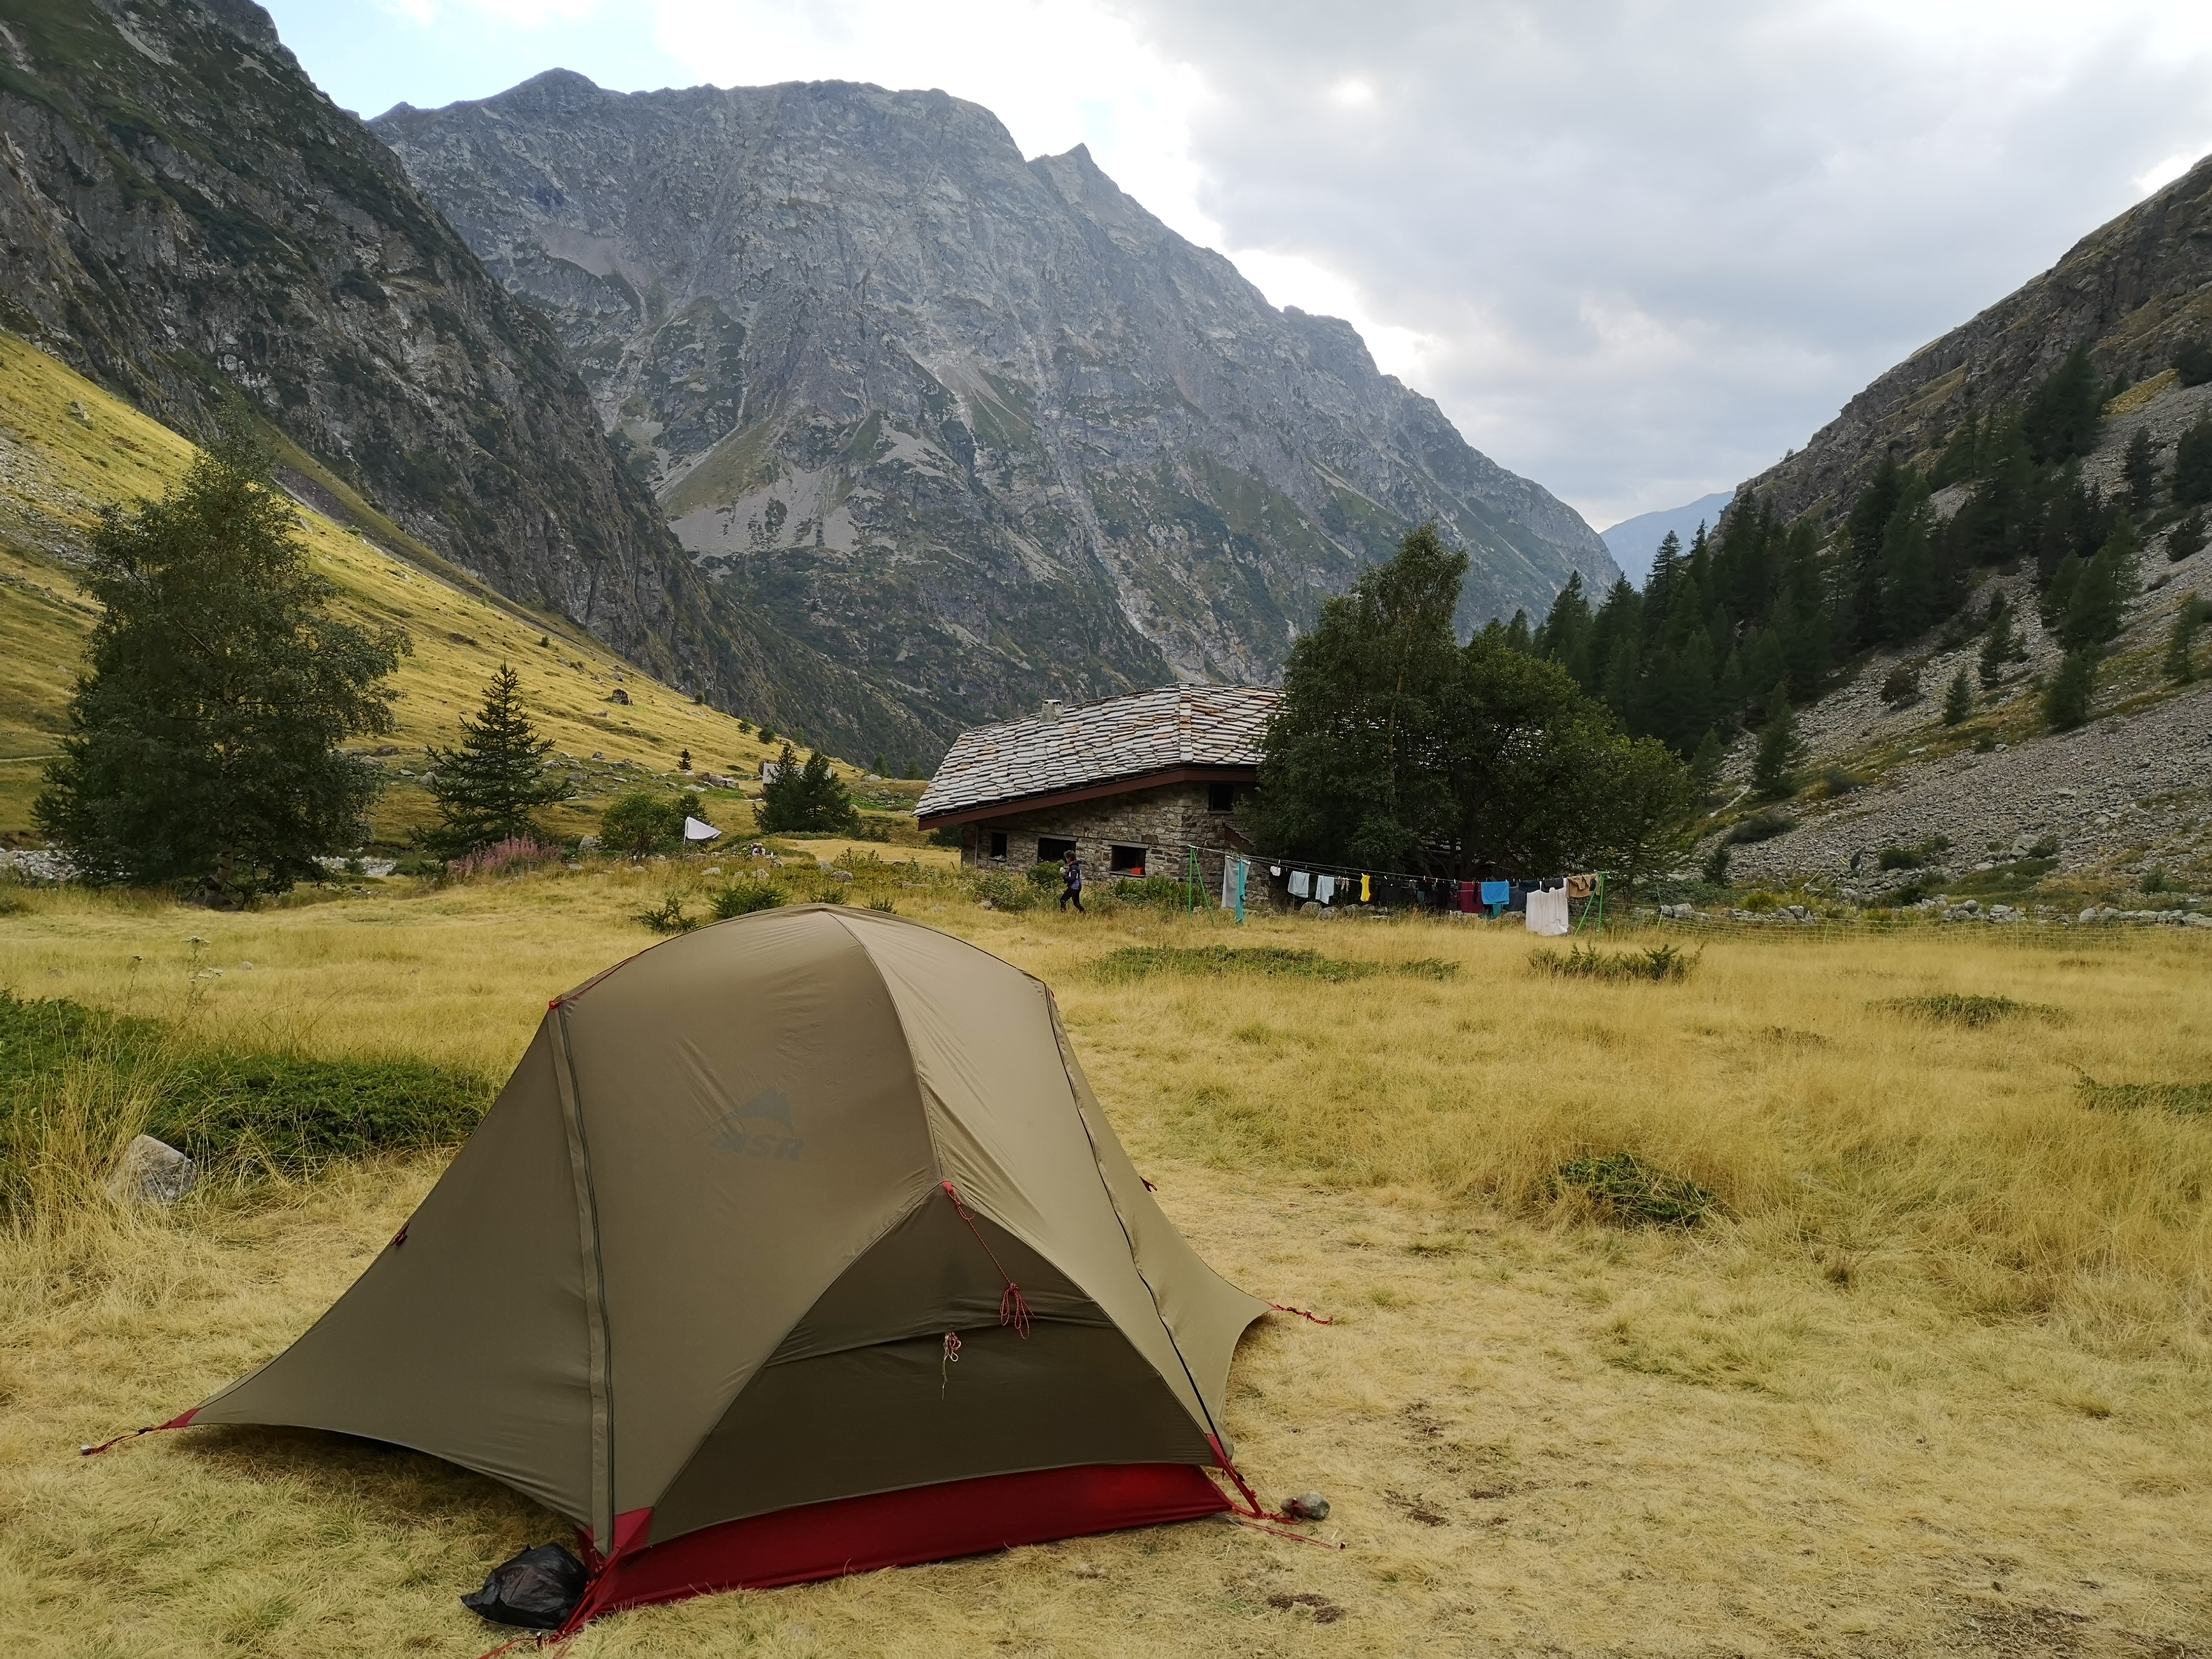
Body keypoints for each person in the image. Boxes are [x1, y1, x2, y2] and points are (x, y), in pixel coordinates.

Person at [1059, 848, 1084, 913]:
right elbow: (1073, 876)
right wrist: (1066, 873)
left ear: (1069, 858)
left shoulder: (1073, 867)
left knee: (1063, 900)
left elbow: (1073, 879)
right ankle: (1084, 913)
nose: (1066, 860)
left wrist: (1064, 876)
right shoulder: (1075, 866)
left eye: (1066, 858)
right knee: (1076, 903)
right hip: (1077, 887)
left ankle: (1063, 914)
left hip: (1074, 887)